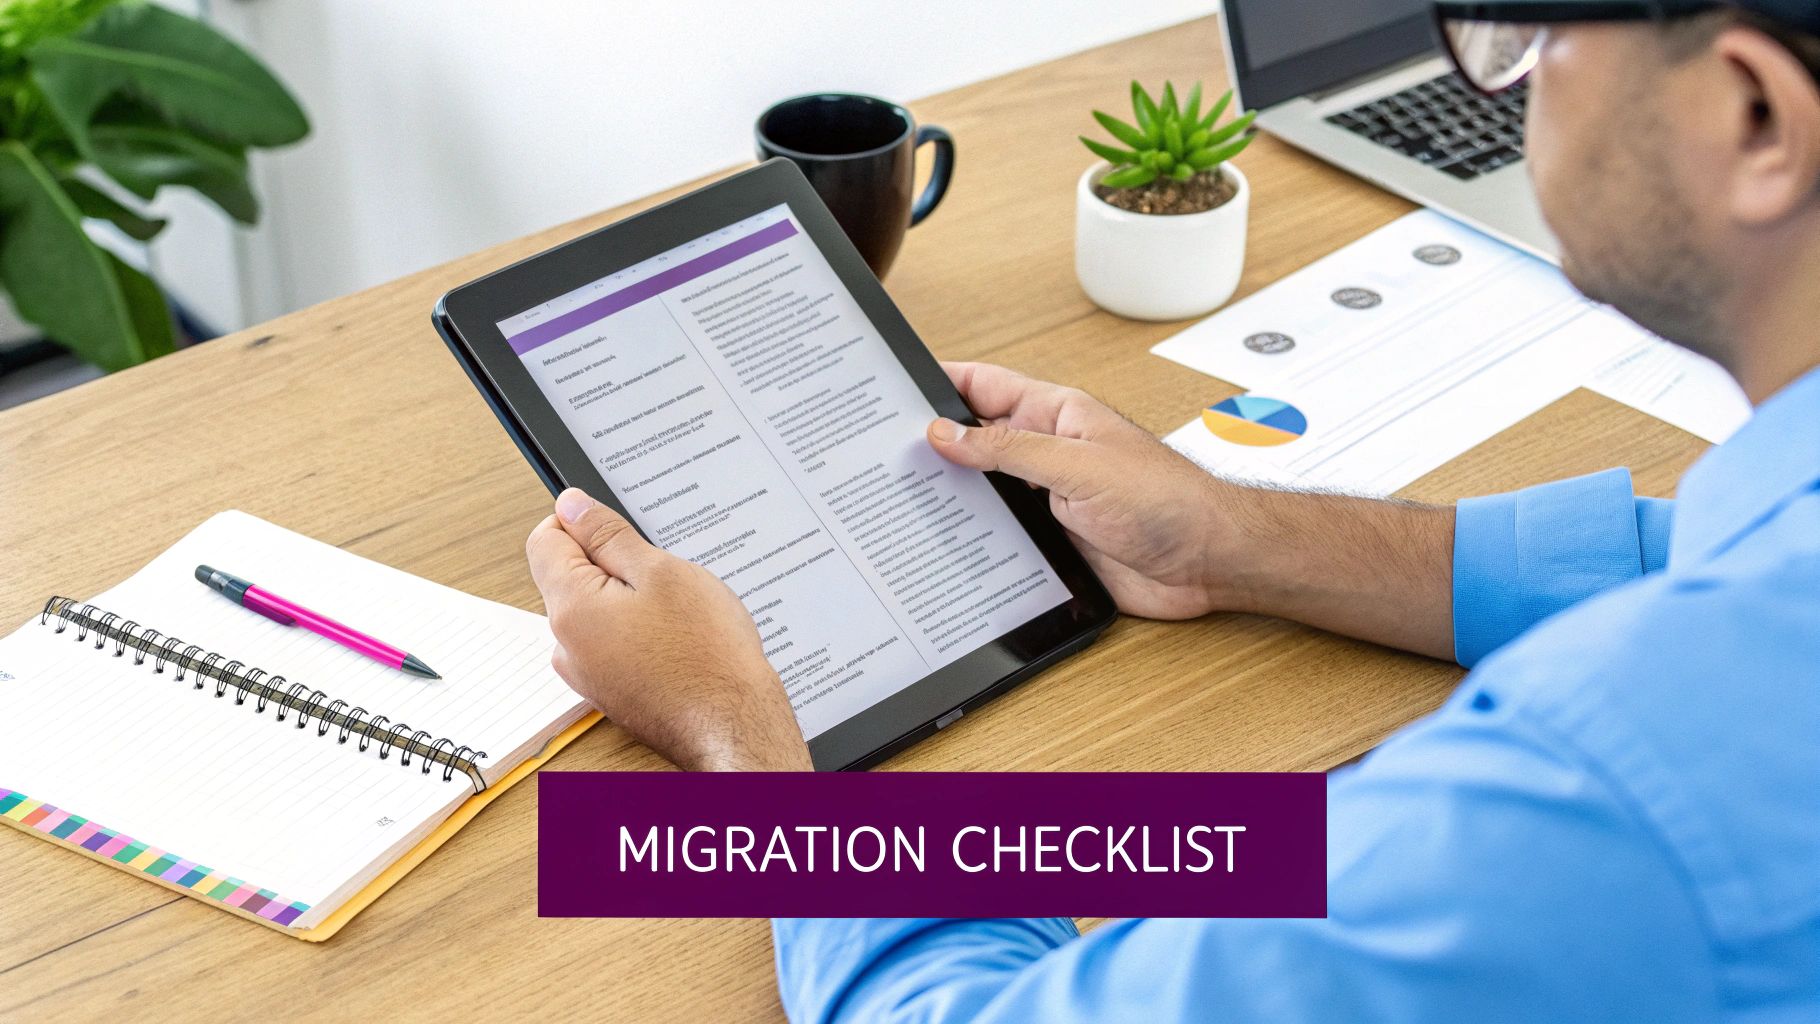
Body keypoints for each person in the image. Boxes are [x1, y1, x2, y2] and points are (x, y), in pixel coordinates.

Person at [523, 0, 1820, 1018]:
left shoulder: (1599, 785)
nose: (1515, 77)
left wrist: (753, 743)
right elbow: (1705, 565)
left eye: (1524, 28)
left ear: (1756, 115)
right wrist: (1231, 537)